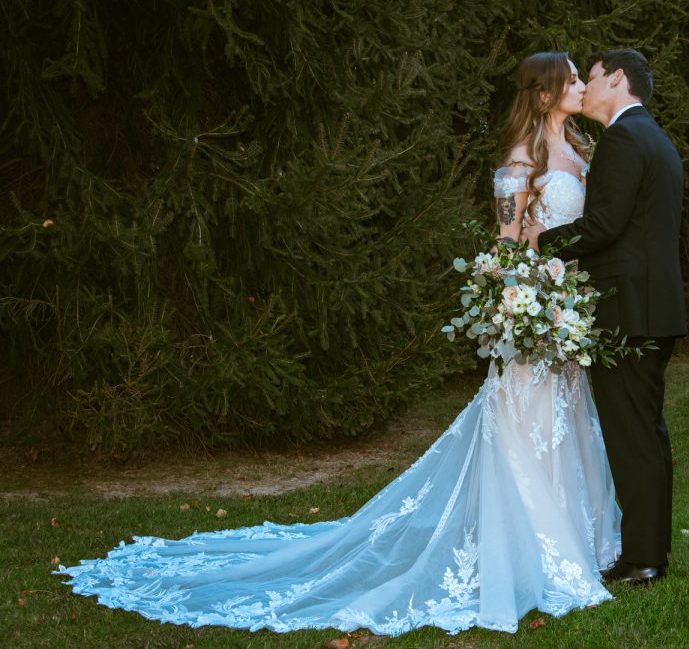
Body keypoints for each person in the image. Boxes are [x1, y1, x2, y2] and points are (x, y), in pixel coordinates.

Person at [55, 52, 621, 637]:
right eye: (573, 79)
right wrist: (514, 311)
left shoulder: (580, 151)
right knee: (524, 428)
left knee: (565, 421)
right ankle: (531, 552)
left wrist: (564, 301)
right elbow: (505, 246)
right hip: (529, 316)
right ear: (544, 95)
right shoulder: (517, 163)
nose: (582, 85)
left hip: (564, 310)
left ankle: (571, 537)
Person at [523, 48, 687, 586]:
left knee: (632, 437)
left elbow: (603, 227)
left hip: (628, 315)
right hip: (655, 311)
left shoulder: (621, 139)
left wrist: (540, 241)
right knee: (647, 434)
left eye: (590, 77)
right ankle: (648, 551)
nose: (586, 87)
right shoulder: (655, 138)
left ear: (616, 78)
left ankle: (643, 559)